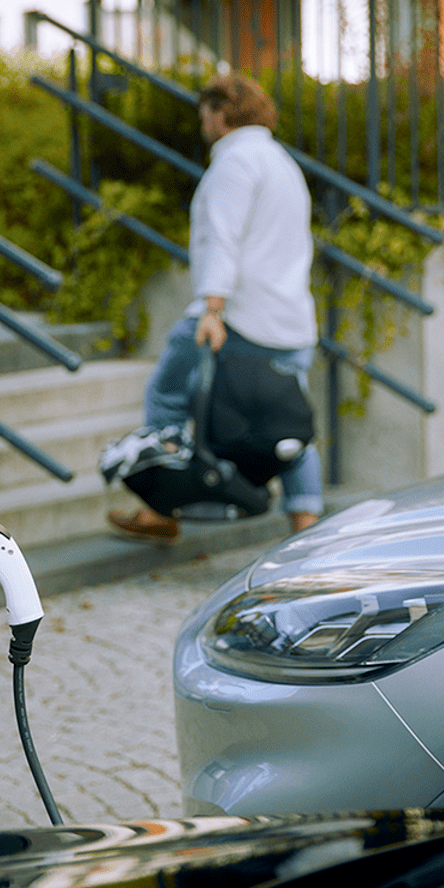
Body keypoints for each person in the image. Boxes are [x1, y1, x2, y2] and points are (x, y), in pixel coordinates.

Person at [108, 73, 324, 540]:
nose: (203, 123)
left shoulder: (234, 162)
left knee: (165, 394)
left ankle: (161, 509)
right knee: (288, 425)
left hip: (237, 318)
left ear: (221, 115)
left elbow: (223, 238)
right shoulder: (282, 163)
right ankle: (306, 528)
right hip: (291, 321)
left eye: (205, 113)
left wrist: (211, 307)